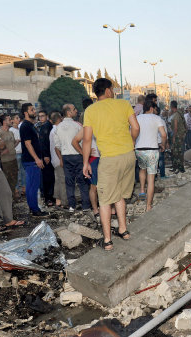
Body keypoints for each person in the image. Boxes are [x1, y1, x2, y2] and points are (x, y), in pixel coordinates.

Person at [82, 78, 140, 251]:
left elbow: (86, 139)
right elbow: (135, 128)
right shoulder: (123, 104)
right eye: (112, 89)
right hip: (129, 156)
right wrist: (130, 142)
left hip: (109, 159)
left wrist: (85, 162)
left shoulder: (90, 110)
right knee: (120, 195)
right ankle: (123, 230)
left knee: (105, 201)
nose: (113, 92)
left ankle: (107, 240)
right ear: (107, 91)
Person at [54, 104, 91, 213]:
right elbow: (84, 141)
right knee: (82, 182)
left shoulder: (58, 127)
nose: (76, 111)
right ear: (69, 112)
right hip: (77, 155)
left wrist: (61, 158)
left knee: (69, 182)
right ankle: (85, 206)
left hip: (65, 157)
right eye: (74, 109)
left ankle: (72, 206)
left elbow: (57, 146)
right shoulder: (78, 125)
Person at [135, 100, 167, 211]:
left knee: (142, 169)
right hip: (152, 150)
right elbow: (163, 134)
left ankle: (142, 190)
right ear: (152, 108)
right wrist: (163, 145)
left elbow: (133, 131)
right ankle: (148, 205)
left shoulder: (138, 118)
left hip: (139, 150)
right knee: (151, 178)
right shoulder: (157, 118)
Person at [72, 99, 100, 216]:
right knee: (94, 187)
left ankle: (106, 208)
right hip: (93, 159)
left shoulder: (102, 125)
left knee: (105, 186)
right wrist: (84, 153)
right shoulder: (86, 127)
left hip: (104, 158)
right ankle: (95, 209)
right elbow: (74, 141)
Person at [20, 103, 48, 216]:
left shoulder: (30, 125)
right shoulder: (25, 126)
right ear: (26, 113)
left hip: (33, 160)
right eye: (32, 110)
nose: (34, 111)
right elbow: (27, 144)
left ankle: (34, 208)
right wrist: (37, 159)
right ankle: (34, 209)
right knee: (32, 186)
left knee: (34, 186)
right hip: (31, 161)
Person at [0, 114, 19, 199]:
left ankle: (12, 197)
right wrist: (2, 152)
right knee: (7, 181)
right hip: (5, 162)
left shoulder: (11, 132)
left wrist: (16, 143)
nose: (11, 121)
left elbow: (12, 145)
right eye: (9, 119)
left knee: (14, 180)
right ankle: (7, 199)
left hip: (13, 159)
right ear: (4, 121)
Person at [49, 111, 68, 209]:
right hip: (59, 158)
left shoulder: (52, 130)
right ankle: (65, 202)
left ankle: (58, 200)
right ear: (59, 119)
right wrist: (61, 159)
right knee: (63, 180)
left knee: (58, 180)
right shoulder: (57, 130)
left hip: (54, 159)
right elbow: (58, 146)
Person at [37, 110, 55, 206]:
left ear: (47, 116)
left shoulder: (46, 126)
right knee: (47, 177)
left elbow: (45, 143)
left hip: (47, 155)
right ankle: (48, 197)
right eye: (39, 116)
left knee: (48, 177)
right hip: (47, 155)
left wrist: (46, 155)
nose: (41, 118)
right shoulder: (43, 126)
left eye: (42, 116)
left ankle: (49, 197)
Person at [10, 114, 25, 197]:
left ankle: (23, 188)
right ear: (12, 120)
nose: (18, 119)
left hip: (22, 152)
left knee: (23, 171)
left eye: (18, 118)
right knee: (17, 172)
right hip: (16, 153)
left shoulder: (20, 129)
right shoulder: (11, 130)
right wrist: (17, 141)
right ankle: (16, 189)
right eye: (16, 118)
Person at [169, 100, 186, 173]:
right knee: (178, 152)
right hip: (181, 135)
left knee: (176, 153)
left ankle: (178, 168)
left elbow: (175, 128)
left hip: (177, 137)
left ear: (171, 107)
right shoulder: (180, 113)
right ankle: (177, 167)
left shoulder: (176, 115)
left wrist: (173, 137)